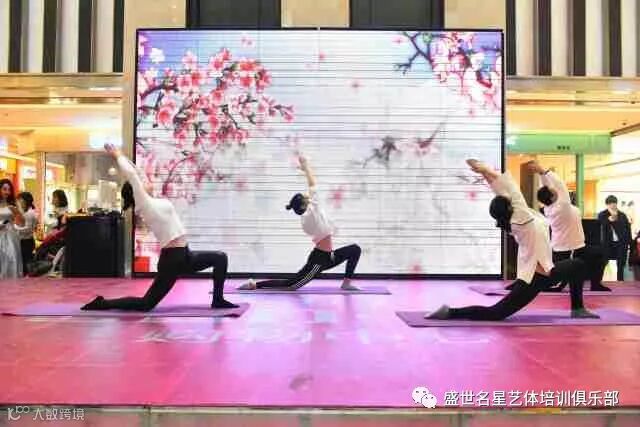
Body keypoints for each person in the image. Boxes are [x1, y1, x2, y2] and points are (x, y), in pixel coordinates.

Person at [428, 160, 598, 321]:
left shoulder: (516, 218)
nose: (511, 199)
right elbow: (511, 189)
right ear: (510, 207)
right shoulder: (521, 217)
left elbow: (501, 190)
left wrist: (485, 173)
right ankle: (450, 312)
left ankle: (578, 309)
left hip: (544, 271)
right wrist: (485, 169)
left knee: (578, 265)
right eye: (509, 201)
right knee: (496, 313)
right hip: (536, 277)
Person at [82, 144, 237, 311]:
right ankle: (103, 303)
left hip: (185, 255)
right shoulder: (144, 205)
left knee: (220, 258)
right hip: (172, 260)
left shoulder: (152, 202)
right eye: (141, 184)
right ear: (136, 192)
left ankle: (217, 300)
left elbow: (138, 173)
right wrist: (117, 155)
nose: (145, 181)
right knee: (146, 304)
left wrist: (128, 160)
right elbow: (132, 175)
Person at [238, 154, 362, 291]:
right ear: (304, 205)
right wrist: (306, 165)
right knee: (291, 285)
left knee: (355, 249)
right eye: (305, 197)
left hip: (329, 256)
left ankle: (346, 283)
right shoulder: (313, 212)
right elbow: (312, 184)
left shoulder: (307, 217)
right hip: (319, 261)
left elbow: (311, 189)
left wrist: (304, 169)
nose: (307, 196)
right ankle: (254, 285)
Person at [528, 161, 610, 292]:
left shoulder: (551, 206)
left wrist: (542, 174)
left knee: (599, 256)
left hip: (576, 246)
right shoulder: (562, 206)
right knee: (556, 275)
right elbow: (560, 185)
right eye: (553, 191)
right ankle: (550, 285)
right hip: (565, 249)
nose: (554, 189)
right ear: (553, 197)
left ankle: (595, 284)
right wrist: (543, 171)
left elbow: (548, 187)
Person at [598, 195, 632, 281]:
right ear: (607, 205)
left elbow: (627, 229)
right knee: (603, 263)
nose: (612, 205)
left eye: (614, 203)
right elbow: (600, 226)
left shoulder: (622, 215)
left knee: (620, 264)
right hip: (607, 243)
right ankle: (598, 281)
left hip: (621, 243)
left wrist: (630, 243)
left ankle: (620, 281)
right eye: (610, 204)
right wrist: (609, 220)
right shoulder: (602, 214)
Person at [0, 179, 25, 279]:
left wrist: (17, 213)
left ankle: (11, 283)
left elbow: (22, 223)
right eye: (4, 189)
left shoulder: (13, 205)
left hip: (10, 235)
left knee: (11, 258)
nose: (7, 192)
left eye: (9, 189)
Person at [15, 192, 38, 275]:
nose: (18, 202)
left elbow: (27, 229)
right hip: (26, 241)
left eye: (20, 200)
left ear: (25, 201)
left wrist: (15, 227)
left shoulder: (29, 213)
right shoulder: (27, 212)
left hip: (26, 242)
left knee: (26, 265)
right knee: (25, 264)